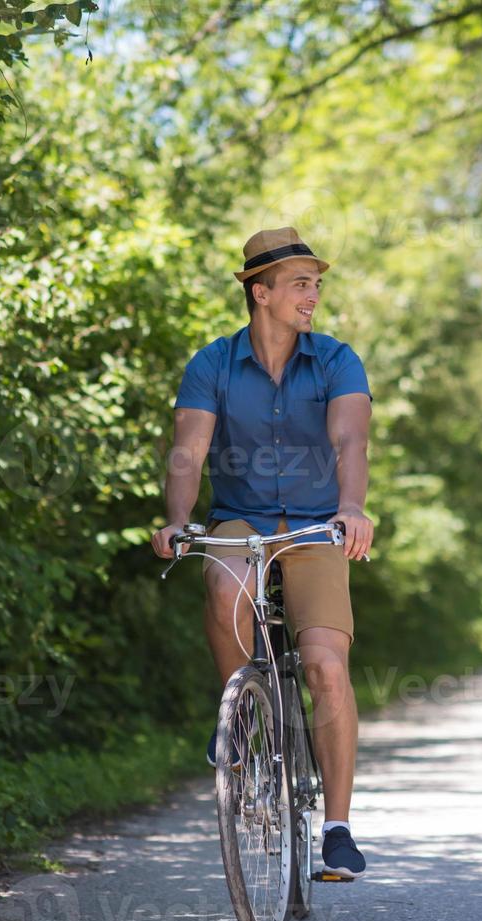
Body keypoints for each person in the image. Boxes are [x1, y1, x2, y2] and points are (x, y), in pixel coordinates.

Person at [150, 227, 375, 879]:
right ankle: (240, 719)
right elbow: (188, 451)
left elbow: (349, 443)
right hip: (240, 517)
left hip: (313, 525)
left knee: (325, 665)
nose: (312, 295)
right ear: (260, 291)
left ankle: (336, 828)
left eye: (316, 284)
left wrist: (352, 508)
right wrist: (177, 520)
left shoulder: (336, 360)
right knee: (224, 588)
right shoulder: (212, 364)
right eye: (300, 283)